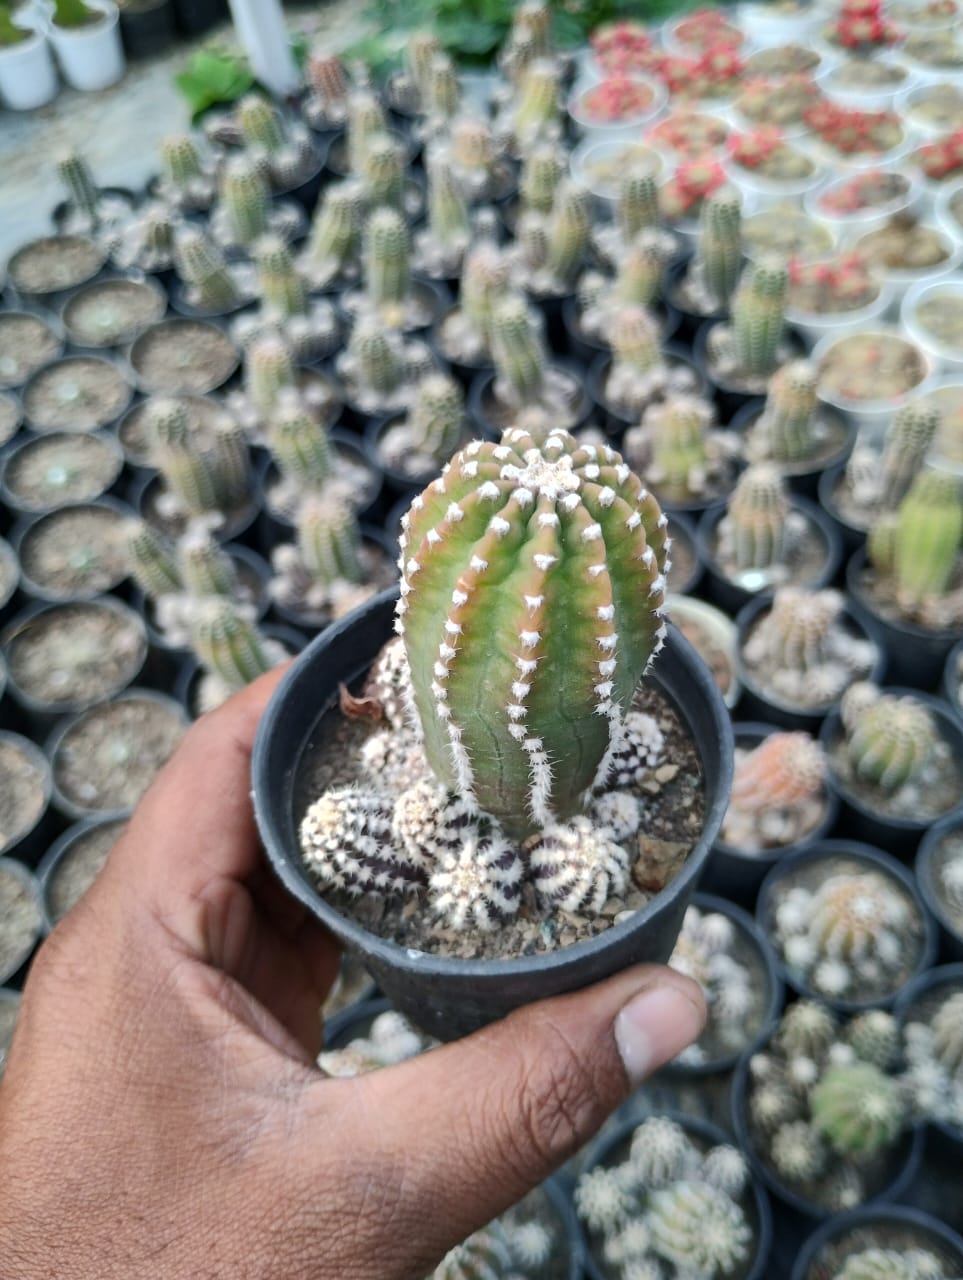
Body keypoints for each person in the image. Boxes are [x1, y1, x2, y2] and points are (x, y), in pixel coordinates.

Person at [0, 668, 706, 1279]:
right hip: (461, 852)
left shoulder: (583, 795)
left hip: (541, 825)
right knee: (344, 832)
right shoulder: (433, 827)